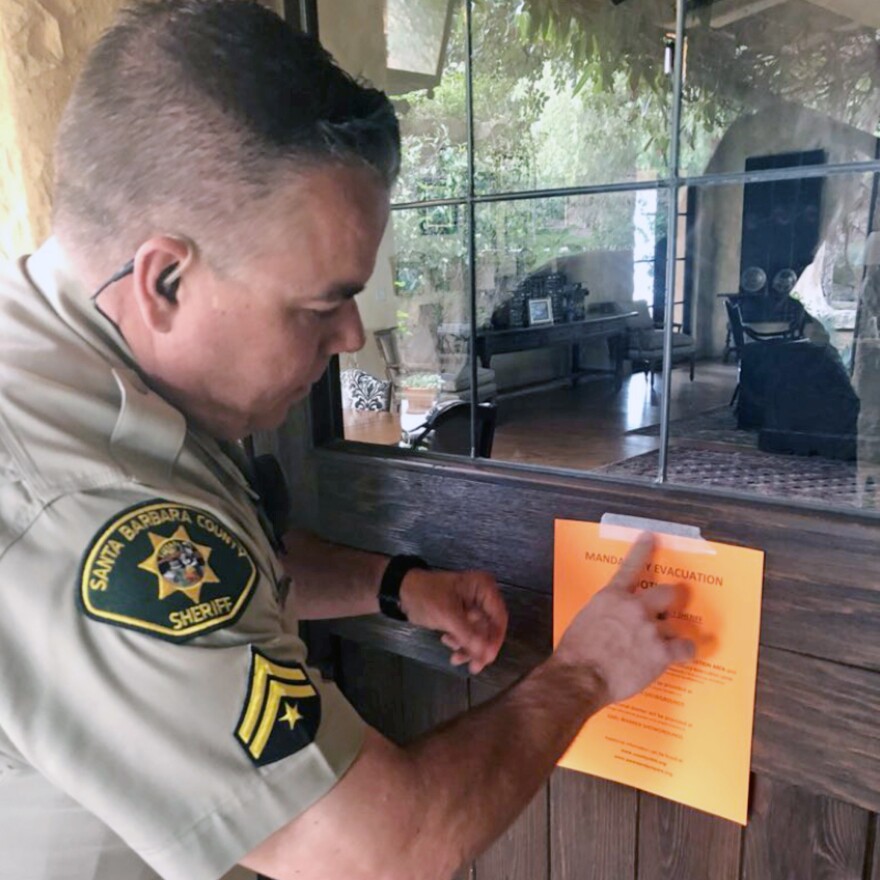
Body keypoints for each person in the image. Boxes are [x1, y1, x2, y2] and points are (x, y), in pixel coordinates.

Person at [0, 2, 693, 878]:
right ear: (165, 278)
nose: (352, 338)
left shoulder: (81, 364)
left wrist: (395, 584)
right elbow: (376, 852)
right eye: (320, 303)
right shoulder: (72, 495)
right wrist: (586, 673)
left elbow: (215, 569)